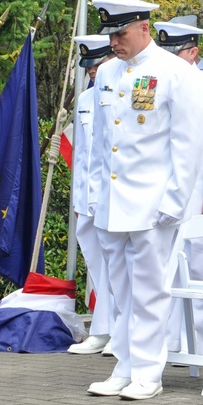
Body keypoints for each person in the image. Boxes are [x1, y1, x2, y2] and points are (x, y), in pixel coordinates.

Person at [85, 0, 203, 400]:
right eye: (111, 34)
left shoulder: (176, 73)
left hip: (153, 203)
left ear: (144, 28)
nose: (114, 41)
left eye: (121, 33)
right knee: (120, 290)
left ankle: (148, 373)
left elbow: (188, 144)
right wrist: (96, 194)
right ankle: (125, 364)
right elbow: (102, 144)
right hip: (112, 202)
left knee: (150, 291)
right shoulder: (106, 73)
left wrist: (174, 202)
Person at [154, 20, 203, 357]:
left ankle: (197, 344)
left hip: (202, 192)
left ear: (193, 52)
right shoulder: (162, 84)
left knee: (199, 269)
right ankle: (169, 342)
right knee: (167, 269)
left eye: (176, 52)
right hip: (169, 193)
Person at [67, 34, 116, 356]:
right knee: (98, 268)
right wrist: (78, 199)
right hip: (87, 200)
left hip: (114, 197)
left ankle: (117, 333)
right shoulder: (85, 99)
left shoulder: (123, 96)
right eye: (90, 65)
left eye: (99, 63)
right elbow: (83, 155)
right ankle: (102, 328)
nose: (94, 70)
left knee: (119, 269)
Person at [168, 14, 203, 80]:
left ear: (192, 52)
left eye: (174, 52)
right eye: (165, 53)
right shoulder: (165, 75)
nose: (168, 57)